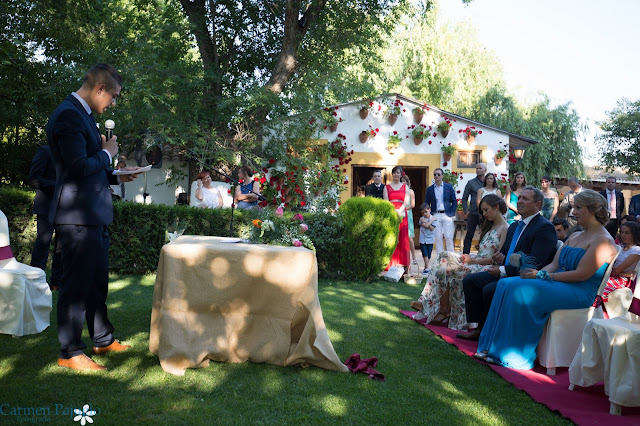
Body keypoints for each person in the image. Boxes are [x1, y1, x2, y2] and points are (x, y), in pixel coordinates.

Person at [48, 64, 140, 371]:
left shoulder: (85, 116)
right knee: (75, 286)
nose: (113, 103)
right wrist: (107, 154)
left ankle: (102, 339)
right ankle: (70, 352)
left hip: (94, 214)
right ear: (99, 89)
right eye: (113, 96)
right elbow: (75, 167)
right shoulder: (68, 115)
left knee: (97, 281)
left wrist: (116, 176)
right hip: (77, 216)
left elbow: (89, 169)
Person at [473, 190, 618, 370]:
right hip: (559, 282)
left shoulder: (604, 241)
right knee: (505, 283)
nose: (574, 212)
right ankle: (491, 345)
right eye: (574, 208)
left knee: (521, 290)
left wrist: (543, 277)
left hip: (579, 291)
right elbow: (555, 263)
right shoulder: (574, 236)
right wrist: (536, 274)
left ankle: (515, 355)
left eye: (579, 208)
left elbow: (581, 274)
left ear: (593, 210)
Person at [457, 186, 557, 341]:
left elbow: (534, 263)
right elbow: (505, 253)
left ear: (538, 205)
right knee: (470, 280)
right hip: (507, 271)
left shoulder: (544, 227)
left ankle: (492, 332)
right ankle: (480, 328)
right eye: (520, 198)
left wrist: (502, 270)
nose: (520, 201)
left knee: (489, 289)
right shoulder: (516, 226)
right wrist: (499, 258)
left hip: (526, 277)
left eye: (525, 199)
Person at [410, 194, 509, 329]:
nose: (484, 214)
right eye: (483, 211)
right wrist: (471, 259)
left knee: (446, 268)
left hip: (485, 267)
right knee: (444, 256)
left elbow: (496, 259)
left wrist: (472, 260)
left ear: (496, 207)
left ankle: (438, 307)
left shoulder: (505, 228)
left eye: (486, 210)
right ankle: (437, 306)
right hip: (476, 262)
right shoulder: (490, 227)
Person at [28, 145, 62, 290]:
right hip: (46, 206)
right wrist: (59, 187)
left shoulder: (69, 154)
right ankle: (36, 282)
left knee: (61, 246)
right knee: (43, 243)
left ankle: (57, 282)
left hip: (65, 208)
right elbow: (34, 178)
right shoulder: (45, 150)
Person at [601, 220, 640, 307]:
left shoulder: (637, 250)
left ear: (635, 234)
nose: (623, 235)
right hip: (612, 275)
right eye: (622, 232)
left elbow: (617, 270)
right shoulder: (620, 247)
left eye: (627, 233)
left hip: (621, 281)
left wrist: (619, 272)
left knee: (598, 289)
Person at [424, 168, 457, 253]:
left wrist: (452, 212)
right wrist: (429, 214)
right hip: (436, 215)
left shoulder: (448, 187)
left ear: (442, 176)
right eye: (435, 174)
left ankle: (451, 257)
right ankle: (440, 258)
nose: (436, 176)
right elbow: (427, 203)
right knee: (438, 238)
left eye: (438, 174)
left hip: (447, 214)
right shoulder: (430, 189)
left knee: (448, 237)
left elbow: (454, 200)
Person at [383, 166, 410, 269]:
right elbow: (386, 201)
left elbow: (406, 201)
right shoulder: (387, 187)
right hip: (391, 213)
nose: (395, 174)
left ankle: (403, 264)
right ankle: (390, 264)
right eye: (394, 173)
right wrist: (393, 211)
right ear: (392, 174)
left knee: (402, 238)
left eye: (398, 173)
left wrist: (400, 210)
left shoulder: (405, 187)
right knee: (391, 238)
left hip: (402, 213)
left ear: (401, 174)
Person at [461, 163, 486, 254]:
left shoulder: (488, 182)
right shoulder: (471, 183)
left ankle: (483, 254)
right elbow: (464, 198)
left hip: (485, 214)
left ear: (485, 170)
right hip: (473, 213)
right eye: (477, 168)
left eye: (480, 168)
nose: (478, 170)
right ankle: (465, 255)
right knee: (469, 235)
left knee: (485, 234)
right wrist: (466, 211)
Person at [401, 174, 417, 266]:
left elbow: (413, 204)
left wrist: (404, 209)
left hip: (408, 214)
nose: (403, 182)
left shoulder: (410, 191)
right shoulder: (399, 191)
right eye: (402, 181)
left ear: (407, 182)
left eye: (405, 181)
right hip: (400, 214)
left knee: (410, 237)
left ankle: (414, 257)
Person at [418, 204, 436, 274]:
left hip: (430, 239)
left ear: (429, 210)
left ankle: (426, 267)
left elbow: (431, 228)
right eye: (422, 213)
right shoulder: (421, 219)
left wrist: (427, 221)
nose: (424, 214)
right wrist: (431, 221)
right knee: (424, 254)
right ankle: (427, 268)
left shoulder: (432, 218)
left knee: (429, 254)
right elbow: (426, 226)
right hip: (423, 239)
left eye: (425, 212)